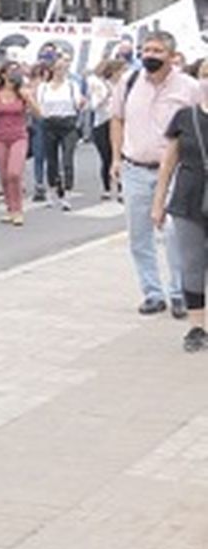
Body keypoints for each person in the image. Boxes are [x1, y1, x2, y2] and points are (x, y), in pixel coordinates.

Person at [112, 31, 201, 317]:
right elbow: (117, 119)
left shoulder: (189, 87)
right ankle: (152, 292)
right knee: (139, 235)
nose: (149, 55)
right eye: (146, 49)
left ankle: (179, 293)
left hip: (177, 170)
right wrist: (115, 158)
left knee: (176, 233)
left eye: (157, 50)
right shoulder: (128, 82)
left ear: (171, 56)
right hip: (135, 167)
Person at [152, 69, 208, 351]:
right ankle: (197, 326)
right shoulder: (185, 117)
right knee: (192, 263)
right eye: (206, 75)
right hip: (189, 198)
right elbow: (168, 163)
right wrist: (158, 202)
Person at [0, 63, 39, 226]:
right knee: (4, 175)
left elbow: (39, 113)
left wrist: (29, 100)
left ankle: (18, 209)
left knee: (14, 173)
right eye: (9, 72)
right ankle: (9, 208)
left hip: (18, 136)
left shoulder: (23, 93)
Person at [37, 58, 86, 211]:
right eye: (57, 68)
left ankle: (67, 195)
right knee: (51, 161)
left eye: (63, 69)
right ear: (52, 70)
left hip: (68, 124)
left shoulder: (72, 86)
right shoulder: (44, 87)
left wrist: (81, 103)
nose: (60, 72)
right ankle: (52, 192)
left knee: (67, 160)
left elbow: (79, 103)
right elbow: (38, 105)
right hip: (49, 124)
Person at [90, 59, 124, 201]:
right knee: (106, 157)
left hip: (119, 123)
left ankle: (122, 188)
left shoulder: (124, 87)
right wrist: (107, 95)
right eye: (121, 71)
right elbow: (94, 105)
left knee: (121, 157)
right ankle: (107, 187)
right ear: (114, 72)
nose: (123, 74)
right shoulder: (100, 85)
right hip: (102, 123)